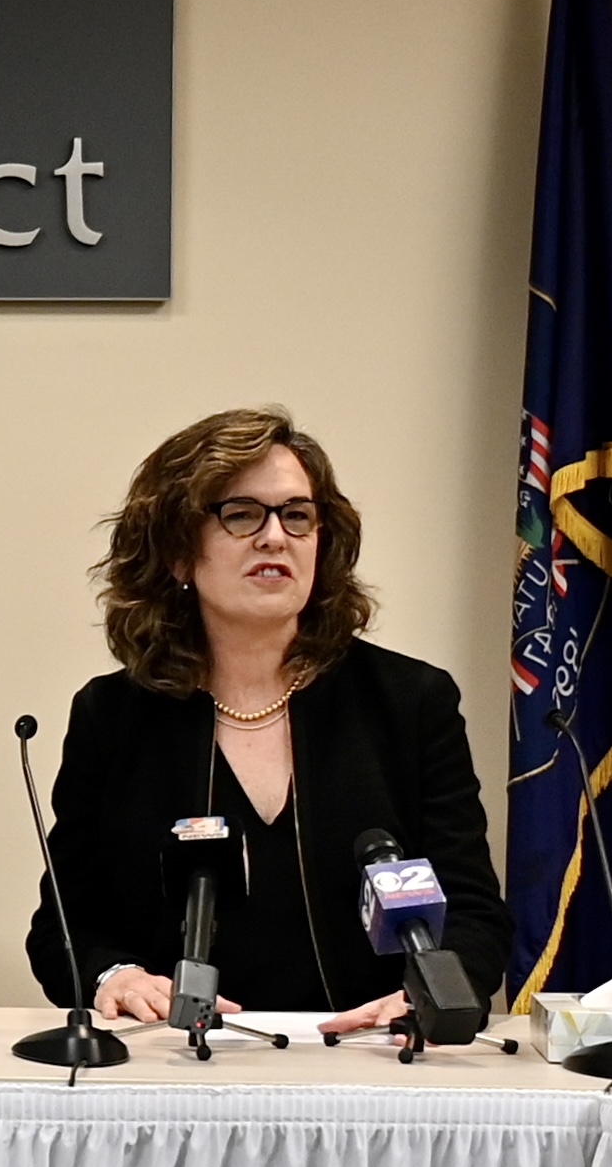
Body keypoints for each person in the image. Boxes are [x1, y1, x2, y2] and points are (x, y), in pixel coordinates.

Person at [30, 405, 503, 1034]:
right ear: (177, 553)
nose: (275, 537)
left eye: (297, 515)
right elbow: (65, 926)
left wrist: (431, 992)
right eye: (242, 514)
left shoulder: (409, 701)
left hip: (370, 1056)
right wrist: (116, 976)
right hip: (178, 1063)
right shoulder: (114, 717)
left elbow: (474, 913)